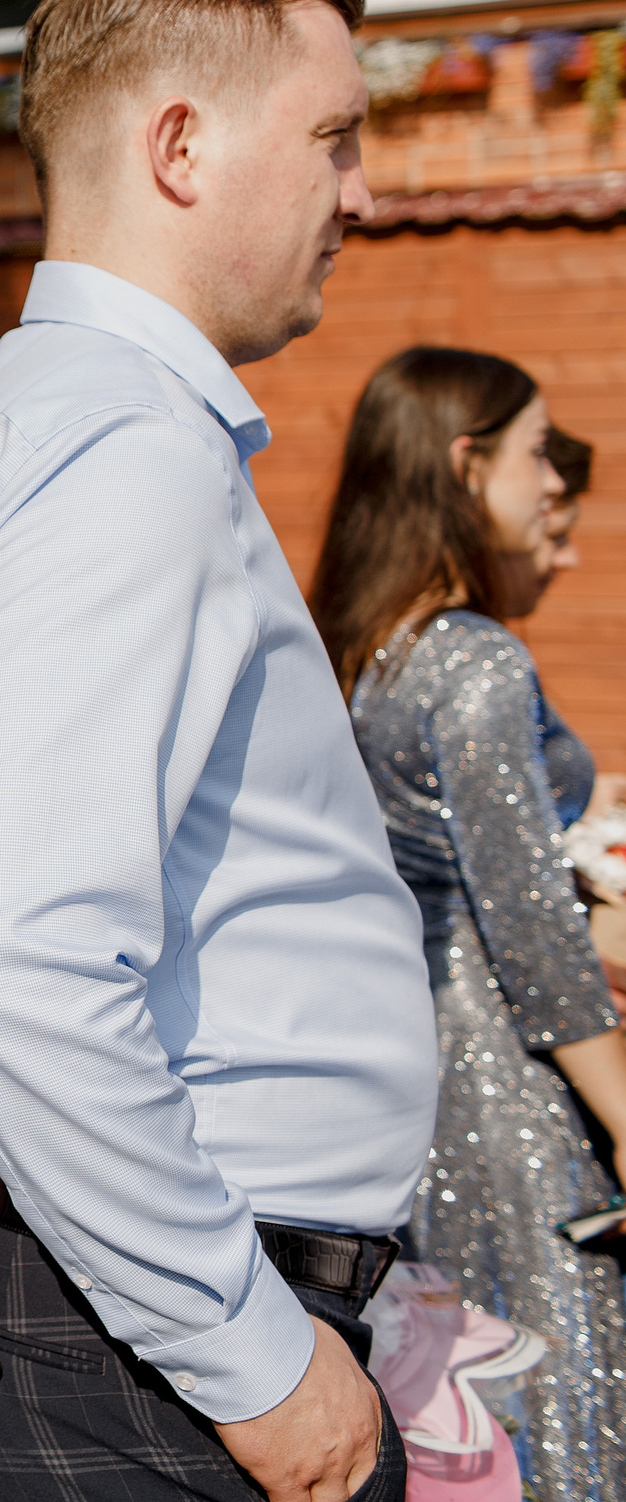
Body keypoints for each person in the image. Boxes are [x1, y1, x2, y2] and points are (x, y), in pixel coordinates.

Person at [0, 0, 429, 1502]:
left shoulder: (59, 416)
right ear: (178, 144)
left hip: (123, 1307)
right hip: (161, 1338)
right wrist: (251, 1352)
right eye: (334, 137)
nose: (361, 193)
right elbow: (12, 951)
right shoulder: (118, 439)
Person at [307, 349, 626, 1496]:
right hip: (508, 1099)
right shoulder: (475, 663)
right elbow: (532, 933)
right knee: (557, 1414)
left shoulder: (364, 653)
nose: (555, 484)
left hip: (418, 1082)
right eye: (538, 453)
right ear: (463, 461)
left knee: (462, 1428)